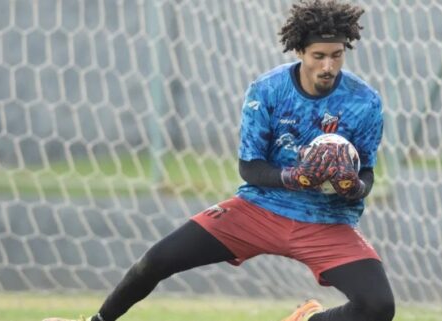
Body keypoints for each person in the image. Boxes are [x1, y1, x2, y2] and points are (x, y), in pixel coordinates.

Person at [43, 0, 394, 320]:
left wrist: (353, 186)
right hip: (259, 210)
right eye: (319, 55)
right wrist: (296, 177)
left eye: (337, 55)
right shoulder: (268, 89)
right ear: (301, 50)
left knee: (379, 306)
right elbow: (250, 168)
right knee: (157, 260)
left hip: (325, 219)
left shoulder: (364, 101)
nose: (328, 65)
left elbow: (365, 174)